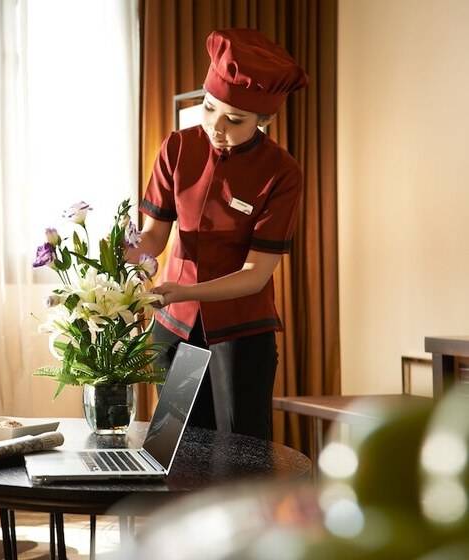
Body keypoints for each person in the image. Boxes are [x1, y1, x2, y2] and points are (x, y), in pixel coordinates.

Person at [128, 28, 308, 441]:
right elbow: (154, 237)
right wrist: (116, 257)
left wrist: (183, 291)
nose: (215, 126)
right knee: (177, 448)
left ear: (264, 120)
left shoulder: (281, 172)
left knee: (239, 456)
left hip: (241, 334)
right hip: (177, 329)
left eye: (235, 119)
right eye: (208, 108)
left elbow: (255, 275)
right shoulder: (177, 148)